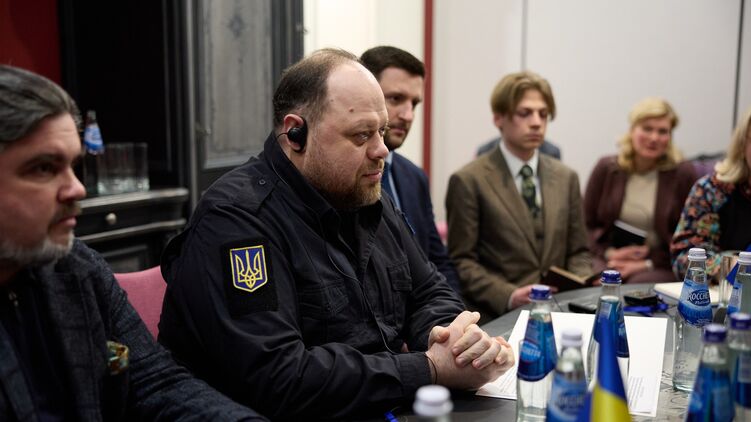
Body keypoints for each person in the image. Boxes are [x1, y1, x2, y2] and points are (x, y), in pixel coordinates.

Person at [158, 49, 514, 420]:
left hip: (378, 404)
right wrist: (430, 368)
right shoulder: (238, 221)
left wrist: (456, 342)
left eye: (381, 131)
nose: (381, 150)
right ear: (296, 134)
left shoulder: (364, 193)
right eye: (361, 135)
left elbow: (428, 290)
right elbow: (279, 378)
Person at [0, 65, 263, 421]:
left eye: (73, 166)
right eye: (44, 168)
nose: (77, 188)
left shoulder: (77, 268)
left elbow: (156, 383)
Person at [445, 70, 591, 319]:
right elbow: (462, 262)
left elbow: (579, 251)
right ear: (498, 118)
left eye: (543, 114)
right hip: (499, 314)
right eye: (525, 113)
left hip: (561, 308)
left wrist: (579, 284)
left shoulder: (567, 177)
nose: (536, 122)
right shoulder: (469, 180)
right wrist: (509, 295)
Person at [360, 45, 460, 292]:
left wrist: (457, 312)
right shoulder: (343, 176)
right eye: (396, 99)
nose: (408, 115)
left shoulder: (414, 177)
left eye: (414, 104)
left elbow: (438, 261)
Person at [584, 98, 697, 283]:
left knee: (636, 287)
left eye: (662, 131)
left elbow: (691, 238)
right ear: (632, 130)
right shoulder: (607, 168)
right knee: (598, 280)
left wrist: (647, 263)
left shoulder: (682, 174)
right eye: (647, 129)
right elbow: (584, 226)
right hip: (608, 256)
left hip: (660, 263)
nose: (654, 138)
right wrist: (610, 254)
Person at [671, 106, 751, 278]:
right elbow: (683, 259)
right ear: (743, 145)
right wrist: (733, 266)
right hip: (724, 291)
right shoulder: (711, 190)